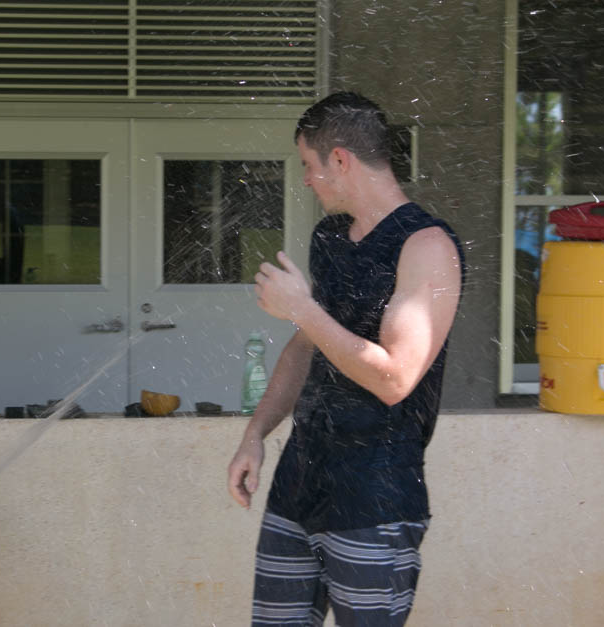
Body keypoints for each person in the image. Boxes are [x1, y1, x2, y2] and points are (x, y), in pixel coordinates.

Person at [227, 92, 465, 626]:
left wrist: (304, 310)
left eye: (309, 166)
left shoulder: (426, 246)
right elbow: (305, 347)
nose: (307, 180)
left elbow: (396, 378)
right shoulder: (330, 237)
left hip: (374, 495)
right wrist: (255, 435)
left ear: (340, 159)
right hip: (298, 485)